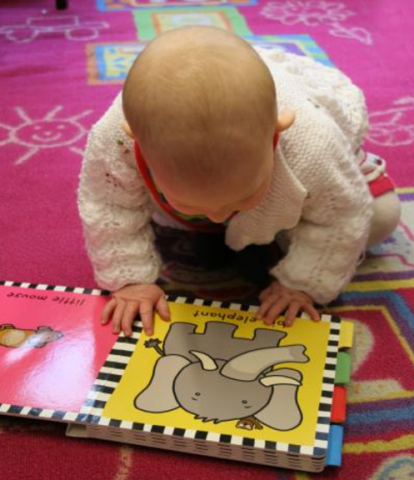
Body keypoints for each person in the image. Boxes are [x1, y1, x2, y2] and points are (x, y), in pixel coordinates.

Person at [77, 26, 401, 337]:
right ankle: (227, 209)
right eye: (194, 203)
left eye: (241, 198)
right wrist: (130, 279)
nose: (216, 214)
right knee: (140, 201)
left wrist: (303, 283)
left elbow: (342, 215)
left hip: (310, 179)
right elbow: (108, 205)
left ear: (275, 136)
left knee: (381, 216)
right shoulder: (115, 140)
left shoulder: (313, 143)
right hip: (189, 195)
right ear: (138, 144)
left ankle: (271, 224)